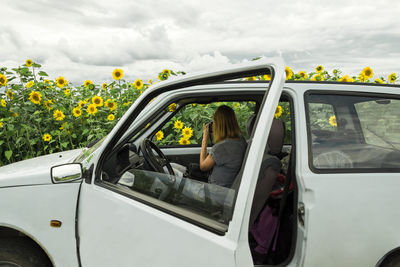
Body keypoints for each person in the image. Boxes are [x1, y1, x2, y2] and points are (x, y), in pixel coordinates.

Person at [200, 105, 247, 188]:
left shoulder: (221, 148)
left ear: (219, 125)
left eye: (214, 121)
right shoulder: (241, 141)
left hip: (217, 192)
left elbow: (203, 166)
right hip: (229, 188)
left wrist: (204, 140)